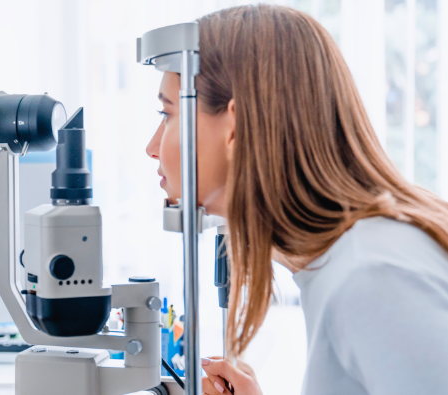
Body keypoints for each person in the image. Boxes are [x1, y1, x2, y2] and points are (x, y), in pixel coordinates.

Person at [146, 5, 448, 395]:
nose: (152, 147)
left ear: (235, 127)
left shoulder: (372, 276)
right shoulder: (342, 262)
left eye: (167, 113)